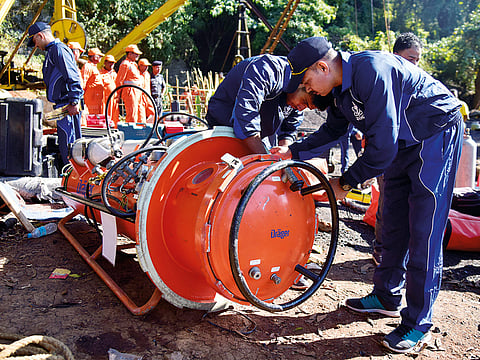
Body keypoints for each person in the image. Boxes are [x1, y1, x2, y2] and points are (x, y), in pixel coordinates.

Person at [271, 36, 463, 353]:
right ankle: (386, 296)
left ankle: (417, 323)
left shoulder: (371, 71)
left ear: (322, 67)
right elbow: (333, 131)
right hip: (403, 142)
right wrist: (293, 150)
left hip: (434, 131)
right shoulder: (337, 93)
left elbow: (381, 149)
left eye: (307, 82)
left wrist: (345, 182)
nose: (308, 91)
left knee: (423, 229)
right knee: (391, 222)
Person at [373, 32, 424, 265]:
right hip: (388, 153)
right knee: (387, 205)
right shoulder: (383, 80)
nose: (414, 64)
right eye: (410, 58)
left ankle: (398, 257)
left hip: (410, 154)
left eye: (418, 60)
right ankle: (381, 250)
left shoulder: (417, 83)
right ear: (395, 55)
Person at [205, 54, 309, 154]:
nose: (301, 108)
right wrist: (267, 161)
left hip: (260, 136)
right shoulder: (268, 70)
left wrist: (283, 155)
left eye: (307, 107)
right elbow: (246, 119)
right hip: (224, 126)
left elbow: (289, 130)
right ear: (301, 84)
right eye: (304, 102)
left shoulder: (297, 100)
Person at [27, 22, 83, 168]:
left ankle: (72, 177)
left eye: (35, 41)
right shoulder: (53, 51)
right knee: (65, 143)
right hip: (62, 105)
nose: (36, 46)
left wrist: (74, 101)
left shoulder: (58, 50)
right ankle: (68, 174)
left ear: (40, 35)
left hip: (67, 105)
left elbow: (72, 76)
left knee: (70, 145)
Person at [115, 44, 143, 123]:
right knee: (132, 114)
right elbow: (119, 80)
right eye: (135, 53)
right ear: (129, 54)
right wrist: (118, 95)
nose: (137, 55)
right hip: (130, 92)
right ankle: (131, 132)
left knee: (137, 113)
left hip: (136, 91)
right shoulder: (125, 64)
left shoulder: (133, 64)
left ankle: (136, 131)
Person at [81, 48, 105, 115]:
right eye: (99, 56)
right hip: (91, 98)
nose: (100, 58)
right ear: (94, 57)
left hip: (96, 98)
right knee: (91, 115)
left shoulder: (94, 67)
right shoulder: (87, 66)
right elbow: (83, 81)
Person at [100, 54, 118, 125]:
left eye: (112, 63)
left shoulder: (115, 74)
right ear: (105, 63)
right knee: (105, 114)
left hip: (114, 99)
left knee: (114, 116)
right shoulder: (100, 73)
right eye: (109, 62)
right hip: (105, 100)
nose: (111, 64)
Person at [138, 58, 152, 123]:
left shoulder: (147, 74)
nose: (146, 67)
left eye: (147, 66)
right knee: (141, 115)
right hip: (140, 97)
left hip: (148, 97)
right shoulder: (137, 74)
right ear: (140, 65)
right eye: (144, 66)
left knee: (152, 113)